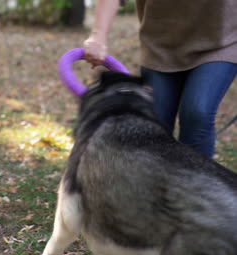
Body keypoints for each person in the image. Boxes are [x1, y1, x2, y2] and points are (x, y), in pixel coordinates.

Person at [83, 0, 237, 159]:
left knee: (197, 112)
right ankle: (157, 180)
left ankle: (195, 181)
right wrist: (98, 36)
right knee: (154, 123)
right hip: (160, 47)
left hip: (222, 39)